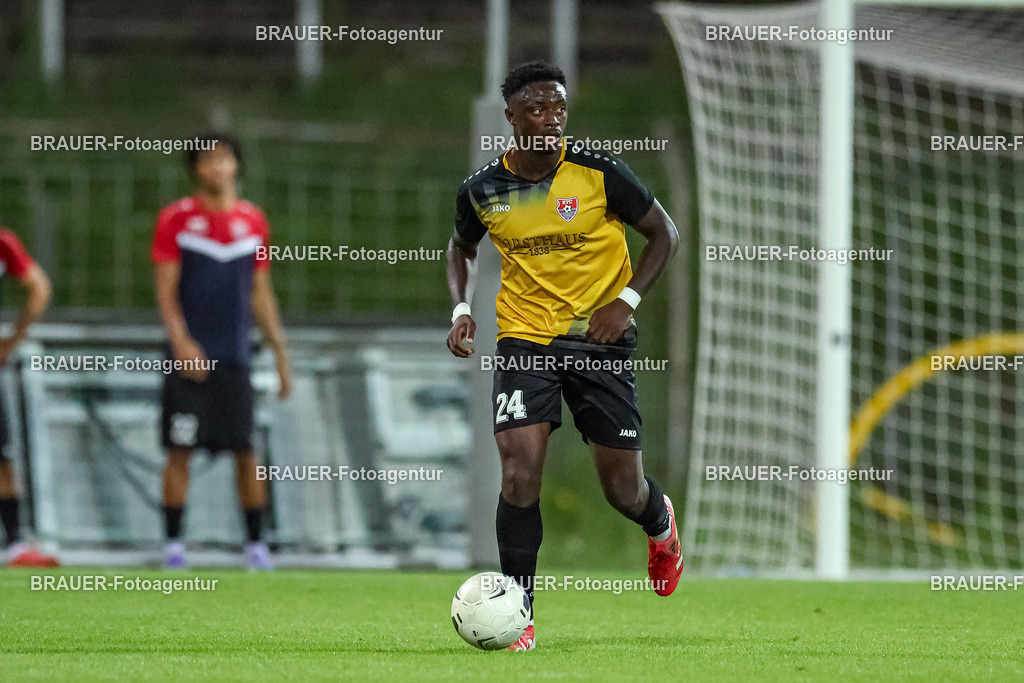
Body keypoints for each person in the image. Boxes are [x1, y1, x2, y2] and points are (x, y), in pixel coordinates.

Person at [445, 62, 682, 650]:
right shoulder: (483, 189)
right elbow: (461, 248)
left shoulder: (600, 173)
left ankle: (659, 522)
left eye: (558, 109)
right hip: (525, 338)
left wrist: (625, 302)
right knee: (519, 468)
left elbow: (665, 234)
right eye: (537, 110)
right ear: (512, 118)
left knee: (621, 490)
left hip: (600, 340)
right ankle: (519, 613)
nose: (550, 120)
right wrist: (461, 308)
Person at [152, 133, 291, 570]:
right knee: (180, 448)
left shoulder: (253, 221)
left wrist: (280, 352)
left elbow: (260, 292)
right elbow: (165, 289)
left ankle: (256, 546)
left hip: (236, 356)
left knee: (246, 451)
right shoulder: (176, 219)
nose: (217, 167)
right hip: (189, 359)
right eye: (208, 160)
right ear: (195, 169)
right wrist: (181, 342)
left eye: (225, 158)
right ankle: (174, 546)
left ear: (237, 164)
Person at [0, 226, 57, 568]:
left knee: (2, 458)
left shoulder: (3, 243)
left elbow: (39, 288)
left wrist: (13, 339)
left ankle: (15, 545)